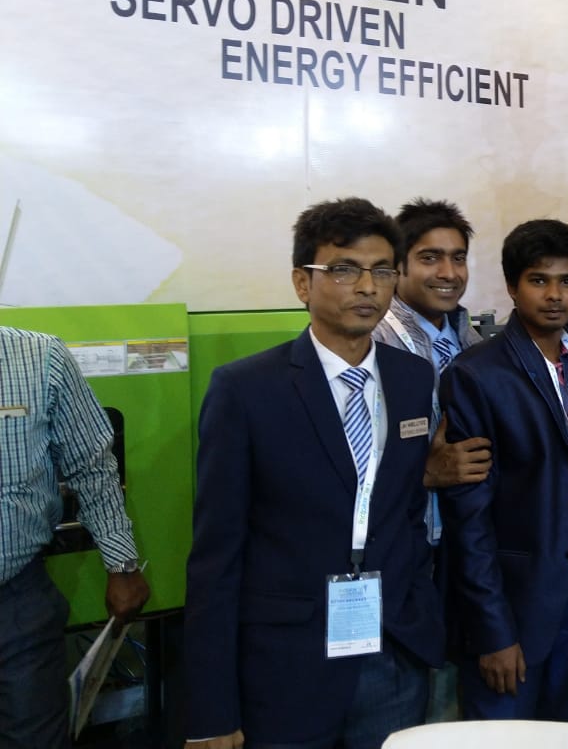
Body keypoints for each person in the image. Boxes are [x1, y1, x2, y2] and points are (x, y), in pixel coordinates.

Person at [183, 198, 443, 749]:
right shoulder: (246, 390)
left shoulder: (413, 377)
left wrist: (417, 609)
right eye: (344, 269)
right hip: (287, 661)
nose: (367, 287)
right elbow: (215, 557)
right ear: (303, 283)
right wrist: (211, 711)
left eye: (382, 271)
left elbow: (406, 513)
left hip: (392, 650)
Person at [439, 219, 568, 723]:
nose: (555, 295)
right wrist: (493, 631)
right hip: (519, 600)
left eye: (567, 281)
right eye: (539, 280)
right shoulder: (476, 374)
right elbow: (469, 519)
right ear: (512, 287)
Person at [0, 327, 151, 749]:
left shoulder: (39, 358)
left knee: (33, 737)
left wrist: (122, 565)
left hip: (17, 604)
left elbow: (92, 465)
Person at [370, 198, 491, 721]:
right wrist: (422, 472)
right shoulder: (371, 340)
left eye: (458, 258)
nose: (448, 272)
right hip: (402, 551)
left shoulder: (471, 339)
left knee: (453, 696)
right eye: (430, 258)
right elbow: (339, 458)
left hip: (465, 546)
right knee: (399, 700)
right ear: (398, 266)